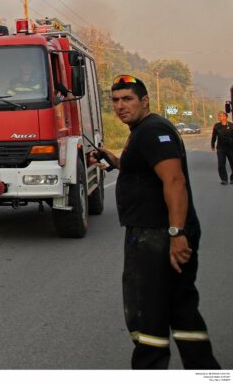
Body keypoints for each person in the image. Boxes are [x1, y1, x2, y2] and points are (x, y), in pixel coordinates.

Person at [94, 75, 221, 370]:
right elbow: (141, 168)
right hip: (161, 232)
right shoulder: (144, 130)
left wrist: (176, 233)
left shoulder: (153, 131)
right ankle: (206, 371)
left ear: (145, 101)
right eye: (115, 100)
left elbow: (174, 181)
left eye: (127, 99)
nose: (120, 106)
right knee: (181, 308)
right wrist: (111, 159)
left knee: (146, 309)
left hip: (157, 235)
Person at [211, 112, 233, 185]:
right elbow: (214, 136)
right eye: (218, 116)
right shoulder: (217, 126)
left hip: (230, 148)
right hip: (221, 148)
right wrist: (212, 145)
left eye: (220, 116)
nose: (219, 117)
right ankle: (224, 179)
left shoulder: (231, 125)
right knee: (221, 164)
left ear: (225, 117)